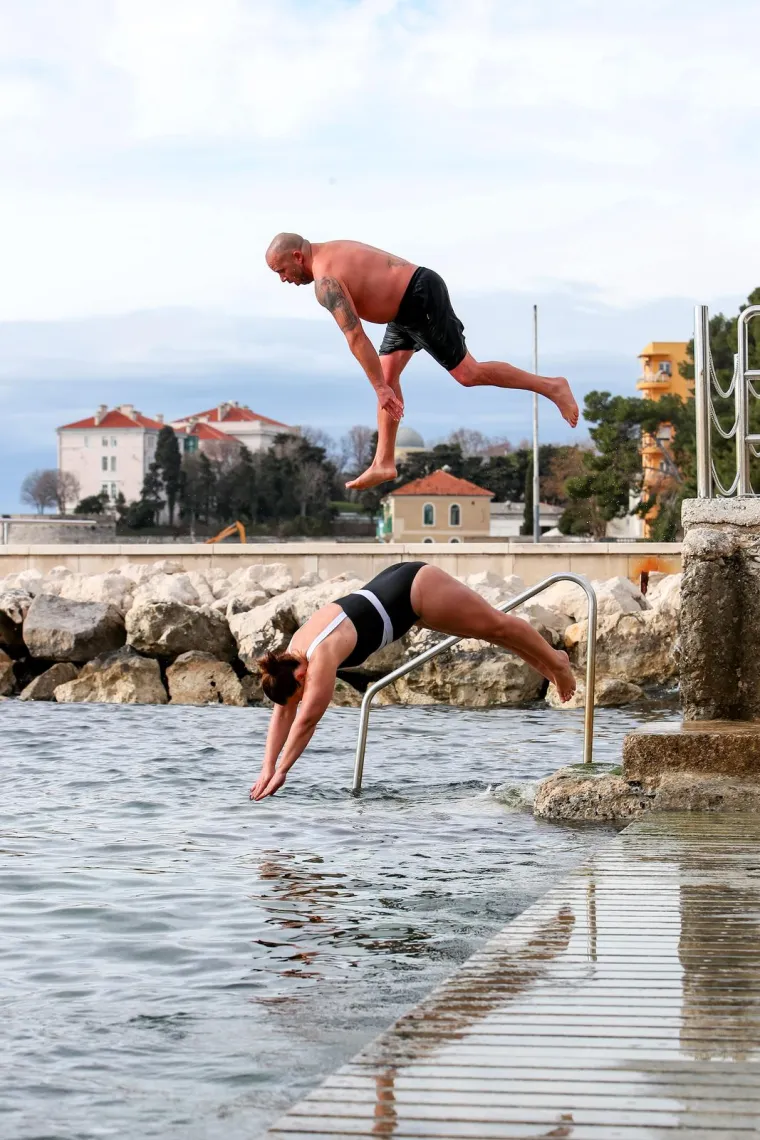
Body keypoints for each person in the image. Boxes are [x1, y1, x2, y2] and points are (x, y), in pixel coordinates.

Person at [265, 233, 579, 490]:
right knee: (387, 377)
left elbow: (356, 338)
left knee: (468, 373)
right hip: (403, 308)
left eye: (280, 271)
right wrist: (381, 386)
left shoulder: (326, 281)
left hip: (419, 297)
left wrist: (379, 389)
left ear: (297, 257)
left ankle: (552, 386)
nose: (282, 280)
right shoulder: (329, 251)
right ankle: (384, 462)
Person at [250, 562, 576, 801]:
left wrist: (282, 772)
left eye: (301, 692)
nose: (304, 696)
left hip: (416, 591)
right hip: (399, 592)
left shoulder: (320, 656)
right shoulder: (293, 653)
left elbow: (306, 719)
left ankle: (557, 662)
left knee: (497, 625)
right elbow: (284, 712)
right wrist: (266, 766)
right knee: (489, 634)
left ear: (301, 676)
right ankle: (549, 663)